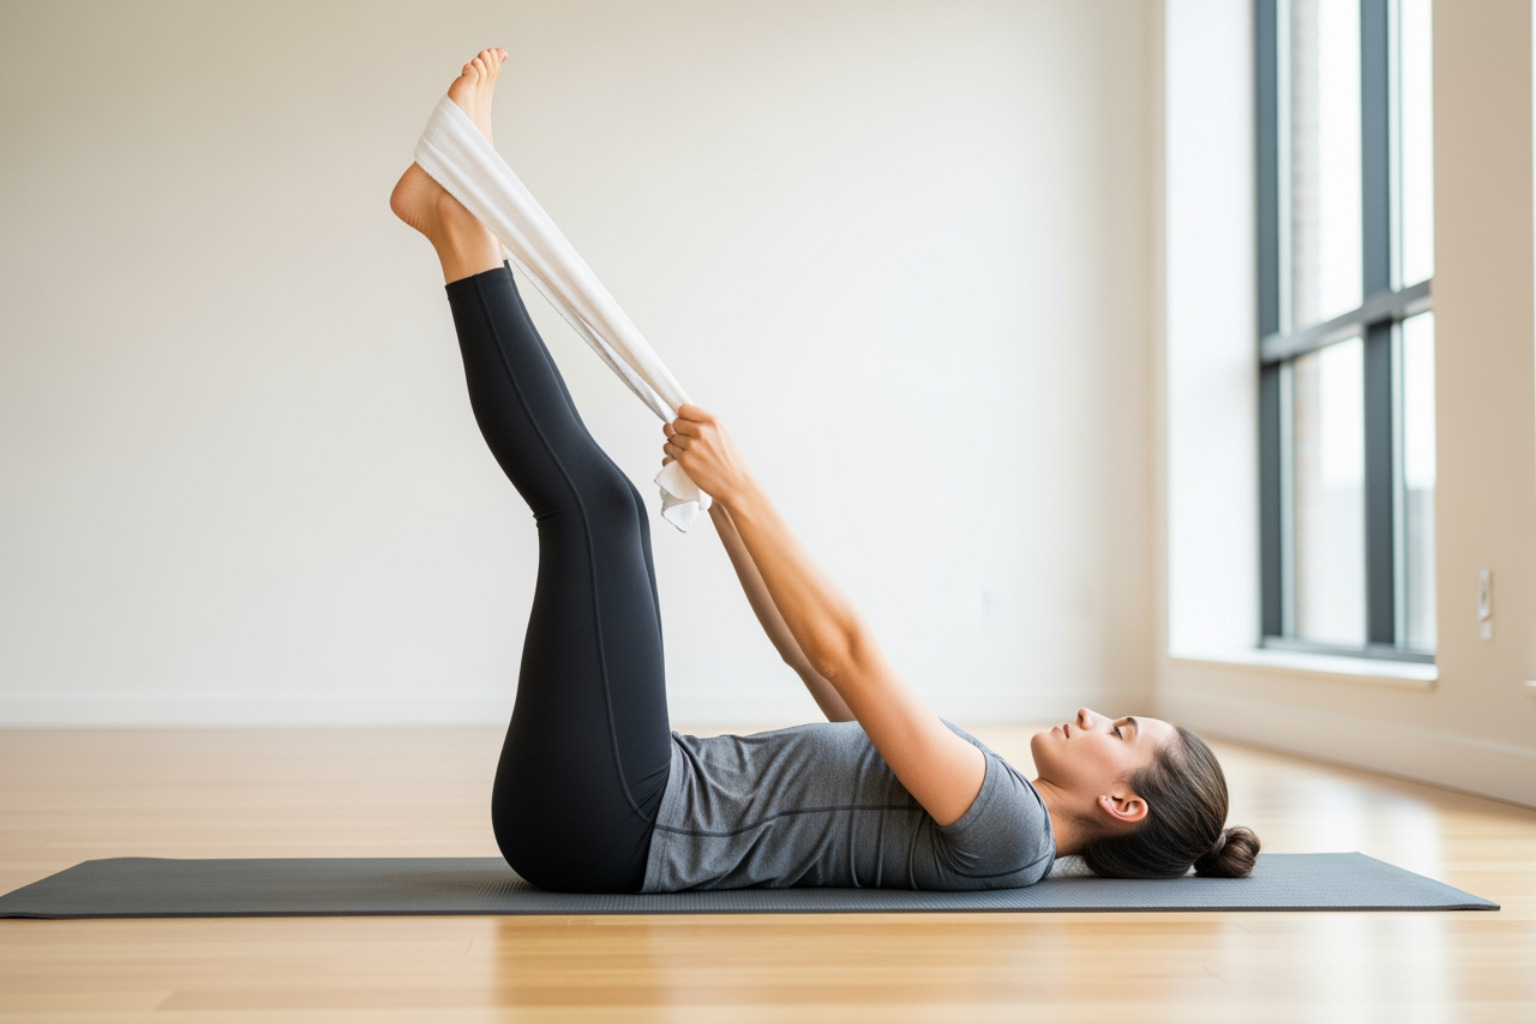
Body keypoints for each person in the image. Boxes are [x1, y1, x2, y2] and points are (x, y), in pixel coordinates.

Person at [391, 48, 1261, 894]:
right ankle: (456, 220)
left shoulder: (1008, 833)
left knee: (601, 511)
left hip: (618, 824)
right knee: (602, 509)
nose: (1092, 715)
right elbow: (810, 656)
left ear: (1122, 800)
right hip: (618, 801)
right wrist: (729, 508)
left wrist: (742, 488)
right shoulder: (980, 795)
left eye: (1119, 730)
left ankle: (460, 226)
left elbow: (848, 652)